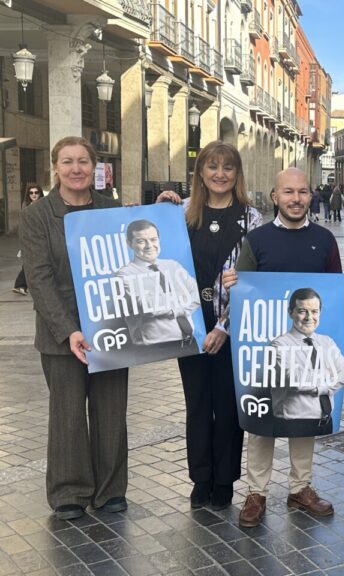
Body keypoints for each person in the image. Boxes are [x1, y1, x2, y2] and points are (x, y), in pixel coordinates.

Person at [223, 167, 344, 528]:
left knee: (305, 421)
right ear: (275, 196)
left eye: (303, 192)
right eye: (288, 192)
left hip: (309, 348)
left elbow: (333, 294)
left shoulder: (324, 240)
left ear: (311, 196)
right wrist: (233, 282)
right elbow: (242, 293)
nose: (296, 199)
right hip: (269, 349)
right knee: (261, 422)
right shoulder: (257, 240)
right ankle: (256, 492)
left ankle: (300, 487)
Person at [21, 136, 128, 520]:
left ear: (94, 166)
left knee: (111, 411)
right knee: (67, 414)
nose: (76, 169)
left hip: (110, 328)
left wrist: (167, 207)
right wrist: (69, 331)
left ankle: (110, 489)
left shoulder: (111, 210)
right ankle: (69, 490)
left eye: (83, 161)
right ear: (55, 167)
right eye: (67, 161)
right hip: (60, 335)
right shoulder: (37, 216)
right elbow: (39, 279)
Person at [156, 141, 262, 511]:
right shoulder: (182, 213)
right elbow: (157, 251)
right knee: (198, 402)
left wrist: (223, 327)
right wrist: (158, 210)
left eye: (227, 167)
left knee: (228, 406)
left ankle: (224, 480)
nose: (220, 174)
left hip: (231, 325)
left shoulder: (250, 218)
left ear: (237, 174)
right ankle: (201, 478)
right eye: (212, 166)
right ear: (200, 172)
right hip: (188, 324)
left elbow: (252, 280)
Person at [116, 219, 200, 351]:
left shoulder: (173, 265)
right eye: (141, 241)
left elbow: (197, 295)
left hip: (190, 343)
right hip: (155, 350)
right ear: (129, 243)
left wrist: (166, 303)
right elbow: (148, 307)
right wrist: (182, 296)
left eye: (153, 239)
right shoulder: (125, 274)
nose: (149, 245)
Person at [270, 288, 344, 426]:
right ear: (290, 312)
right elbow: (294, 380)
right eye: (302, 311)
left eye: (314, 311)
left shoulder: (327, 342)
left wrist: (309, 377)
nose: (309, 317)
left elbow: (342, 374)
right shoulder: (279, 345)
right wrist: (328, 375)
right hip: (293, 422)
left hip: (325, 420)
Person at [13, 183, 43, 295]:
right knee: (29, 263)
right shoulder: (26, 207)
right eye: (31, 193)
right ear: (28, 195)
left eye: (36, 192)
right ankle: (20, 285)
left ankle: (22, 285)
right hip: (31, 240)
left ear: (40, 193)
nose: (34, 195)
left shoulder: (44, 206)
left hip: (42, 239)